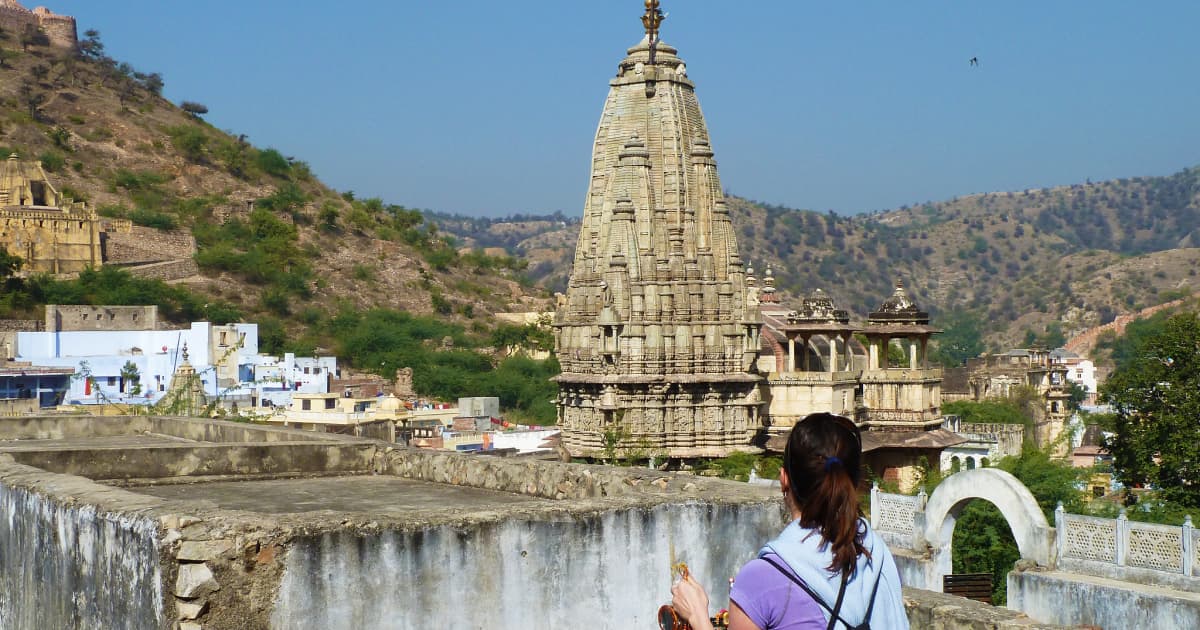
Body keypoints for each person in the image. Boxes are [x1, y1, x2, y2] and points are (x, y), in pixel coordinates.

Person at [670, 413, 908, 629]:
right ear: (853, 483)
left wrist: (698, 616)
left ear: (784, 480)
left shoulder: (761, 580)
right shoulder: (874, 552)